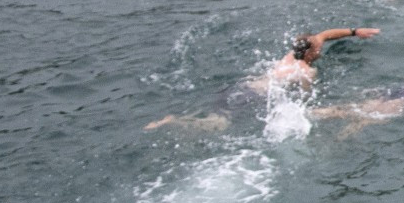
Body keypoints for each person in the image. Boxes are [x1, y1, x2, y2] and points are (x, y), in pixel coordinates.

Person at [145, 27, 379, 131]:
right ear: (310, 53)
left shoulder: (289, 56)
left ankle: (180, 119)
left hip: (241, 86)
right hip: (254, 97)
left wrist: (354, 31)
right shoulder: (306, 71)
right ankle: (173, 121)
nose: (321, 48)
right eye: (318, 48)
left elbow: (324, 35)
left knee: (217, 115)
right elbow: (306, 98)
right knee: (219, 125)